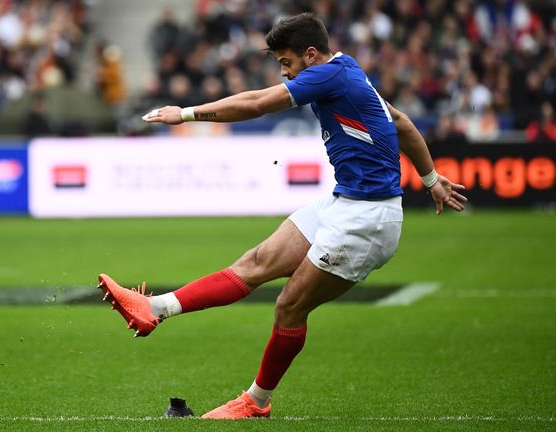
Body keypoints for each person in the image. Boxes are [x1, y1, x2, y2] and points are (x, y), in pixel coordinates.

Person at [97, 13, 467, 420]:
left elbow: (256, 103)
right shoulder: (348, 68)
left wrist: (185, 114)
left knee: (289, 306)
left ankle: (255, 402)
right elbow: (401, 122)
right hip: (344, 204)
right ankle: (155, 309)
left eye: (286, 63)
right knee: (255, 263)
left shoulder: (327, 75)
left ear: (311, 55)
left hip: (367, 220)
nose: (285, 72)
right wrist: (431, 178)